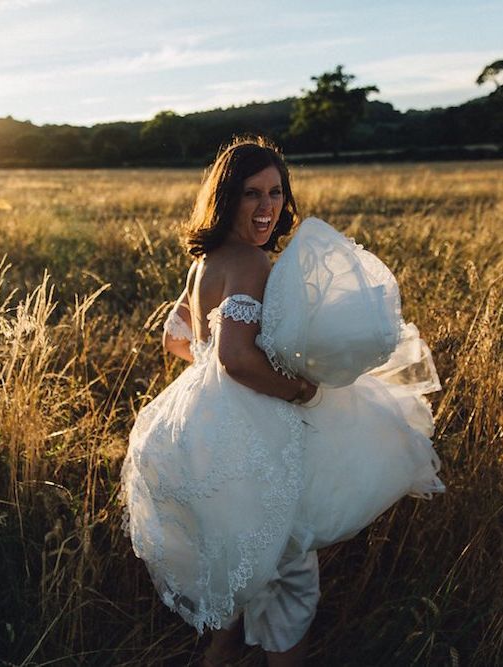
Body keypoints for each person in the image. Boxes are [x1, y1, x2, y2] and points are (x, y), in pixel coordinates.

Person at [121, 136, 443, 666]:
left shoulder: (205, 261)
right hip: (250, 431)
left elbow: (176, 339)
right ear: (225, 199)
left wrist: (209, 379)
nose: (267, 207)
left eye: (275, 192)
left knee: (243, 568)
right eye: (252, 194)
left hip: (202, 428)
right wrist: (302, 389)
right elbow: (236, 359)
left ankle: (220, 658)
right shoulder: (249, 262)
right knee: (289, 575)